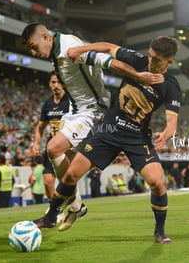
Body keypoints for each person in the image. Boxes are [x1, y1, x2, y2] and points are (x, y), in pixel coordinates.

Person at [32, 36, 181, 244]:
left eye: (156, 60)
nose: (150, 61)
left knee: (157, 182)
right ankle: (49, 218)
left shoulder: (171, 86)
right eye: (150, 56)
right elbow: (109, 47)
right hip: (110, 129)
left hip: (137, 136)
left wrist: (166, 134)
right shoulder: (137, 61)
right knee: (71, 174)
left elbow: (172, 120)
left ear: (169, 62)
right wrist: (81, 49)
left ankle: (160, 231)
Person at [32, 71, 69, 201]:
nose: (56, 85)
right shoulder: (47, 104)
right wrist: (36, 143)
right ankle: (55, 211)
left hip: (68, 145)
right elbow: (40, 127)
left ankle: (74, 206)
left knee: (67, 180)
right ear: (49, 84)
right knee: (48, 181)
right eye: (53, 82)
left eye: (59, 82)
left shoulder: (71, 101)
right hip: (52, 145)